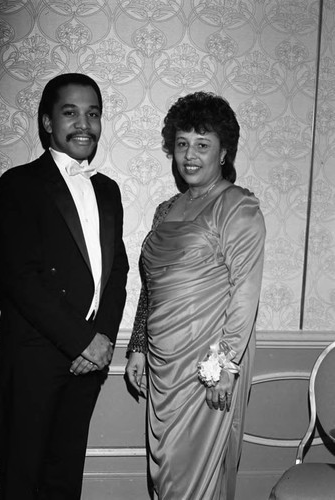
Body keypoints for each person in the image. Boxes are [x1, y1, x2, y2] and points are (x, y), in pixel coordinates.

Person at [0, 73, 129, 500]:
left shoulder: (108, 190)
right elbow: (19, 280)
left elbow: (115, 272)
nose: (84, 123)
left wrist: (101, 339)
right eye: (71, 113)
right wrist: (82, 340)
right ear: (48, 122)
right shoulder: (18, 184)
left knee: (65, 480)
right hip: (34, 356)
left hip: (87, 363)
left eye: (93, 114)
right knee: (21, 479)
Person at [125, 91, 265, 500]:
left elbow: (245, 292)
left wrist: (224, 364)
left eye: (203, 145)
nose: (190, 155)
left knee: (192, 480)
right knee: (165, 473)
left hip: (206, 366)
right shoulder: (165, 210)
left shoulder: (238, 207)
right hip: (162, 364)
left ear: (223, 153)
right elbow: (153, 284)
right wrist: (138, 347)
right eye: (182, 143)